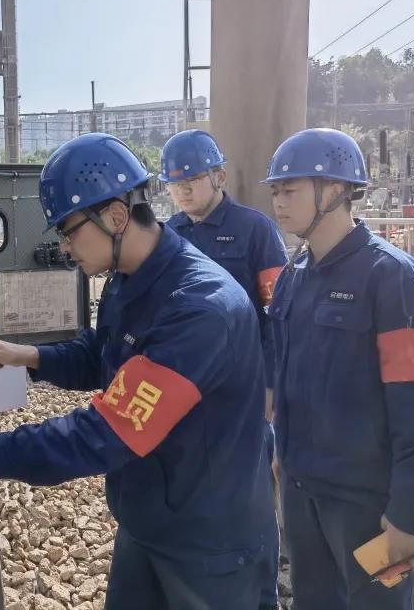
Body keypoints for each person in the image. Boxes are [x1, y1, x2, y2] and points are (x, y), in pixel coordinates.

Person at [0, 132, 274, 609]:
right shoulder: (128, 278)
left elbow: (105, 433)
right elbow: (104, 353)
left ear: (116, 216)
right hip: (148, 518)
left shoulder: (200, 308)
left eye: (69, 231)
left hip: (210, 544)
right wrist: (28, 357)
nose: (65, 247)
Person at [263, 128, 414, 609]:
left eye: (290, 189)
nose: (278, 201)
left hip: (369, 503)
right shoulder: (295, 278)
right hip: (304, 492)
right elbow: (289, 379)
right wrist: (283, 453)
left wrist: (413, 511)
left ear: (335, 191)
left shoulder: (393, 277)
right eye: (275, 190)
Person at [160, 129, 287, 609]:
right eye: (175, 183)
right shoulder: (169, 234)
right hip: (188, 387)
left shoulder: (255, 231)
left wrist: (271, 383)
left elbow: (277, 314)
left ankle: (263, 588)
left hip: (245, 387)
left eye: (192, 179)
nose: (183, 190)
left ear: (219, 176)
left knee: (252, 491)